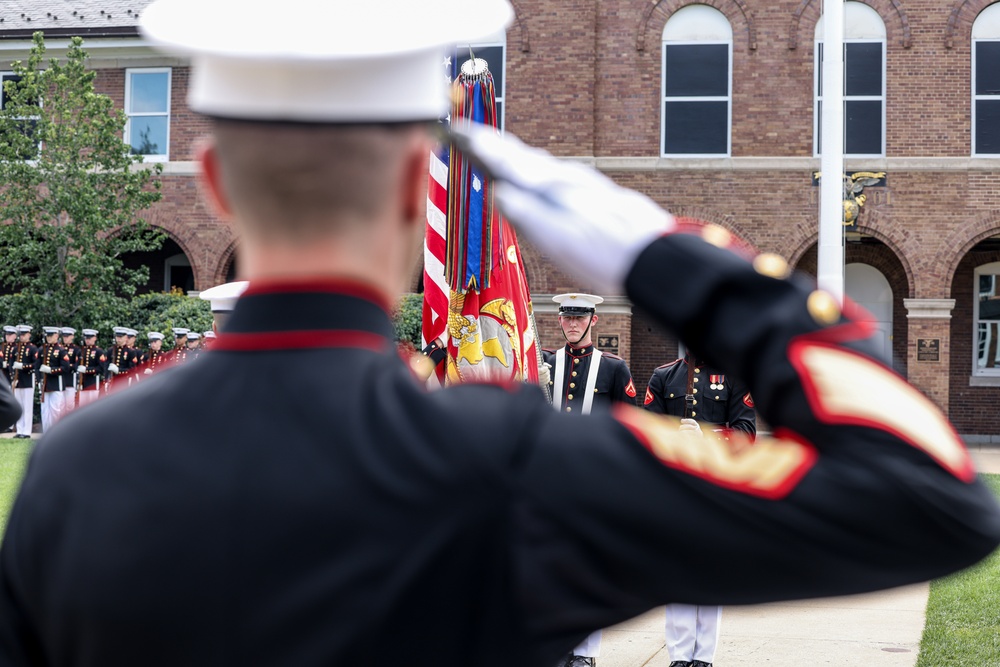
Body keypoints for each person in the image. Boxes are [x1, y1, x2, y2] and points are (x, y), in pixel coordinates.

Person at [2, 1, 999, 666]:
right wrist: (675, 261)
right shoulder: (505, 460)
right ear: (419, 192)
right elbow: (925, 498)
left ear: (214, 182)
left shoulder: (80, 463)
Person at [643, 353, 756, 667]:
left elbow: (746, 433)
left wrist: (706, 436)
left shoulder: (733, 375)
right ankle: (680, 656)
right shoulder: (664, 375)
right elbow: (646, 432)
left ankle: (703, 657)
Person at [543, 292, 637, 666]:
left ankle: (584, 652)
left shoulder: (614, 368)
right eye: (567, 317)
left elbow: (631, 427)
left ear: (593, 321)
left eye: (579, 318)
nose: (572, 323)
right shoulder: (546, 363)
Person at [35, 326, 70, 432]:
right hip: (44, 384)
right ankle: (46, 432)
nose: (49, 338)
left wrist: (51, 370)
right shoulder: (42, 349)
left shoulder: (61, 350)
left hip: (56, 384)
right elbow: (37, 366)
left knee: (55, 410)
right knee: (45, 410)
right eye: (47, 336)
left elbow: (65, 368)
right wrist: (38, 380)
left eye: (51, 336)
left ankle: (55, 432)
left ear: (56, 336)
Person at [9, 324, 35, 439]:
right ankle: (19, 430)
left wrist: (24, 366)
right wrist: (12, 376)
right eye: (21, 335)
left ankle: (26, 431)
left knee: (27, 406)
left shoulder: (33, 348)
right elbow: (10, 364)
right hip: (18, 381)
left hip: (28, 380)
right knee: (19, 406)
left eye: (24, 335)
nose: (22, 337)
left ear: (29, 334)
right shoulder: (15, 348)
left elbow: (35, 364)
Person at [75, 329, 106, 408]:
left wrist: (87, 370)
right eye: (86, 338)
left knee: (93, 406)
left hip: (93, 383)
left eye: (89, 338)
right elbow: (76, 365)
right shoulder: (81, 351)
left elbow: (101, 368)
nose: (87, 340)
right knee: (82, 407)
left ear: (95, 338)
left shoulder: (99, 351)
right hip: (83, 383)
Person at [59, 328, 80, 416]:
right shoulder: (59, 348)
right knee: (60, 406)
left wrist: (67, 366)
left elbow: (76, 366)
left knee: (70, 405)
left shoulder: (76, 349)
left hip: (71, 379)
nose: (65, 338)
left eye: (67, 336)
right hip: (61, 379)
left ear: (72, 337)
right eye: (64, 336)